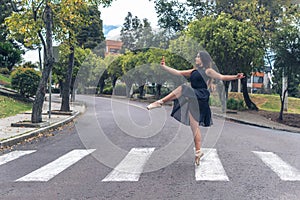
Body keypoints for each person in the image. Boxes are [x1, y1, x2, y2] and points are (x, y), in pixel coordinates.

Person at [146, 51, 245, 166]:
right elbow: (177, 72)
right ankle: (198, 152)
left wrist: (236, 77)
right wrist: (164, 67)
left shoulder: (208, 71)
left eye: (198, 56)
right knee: (194, 128)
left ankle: (160, 102)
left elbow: (221, 76)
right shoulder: (193, 71)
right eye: (196, 56)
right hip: (194, 98)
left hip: (201, 96)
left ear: (203, 59)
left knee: (183, 88)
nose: (196, 58)